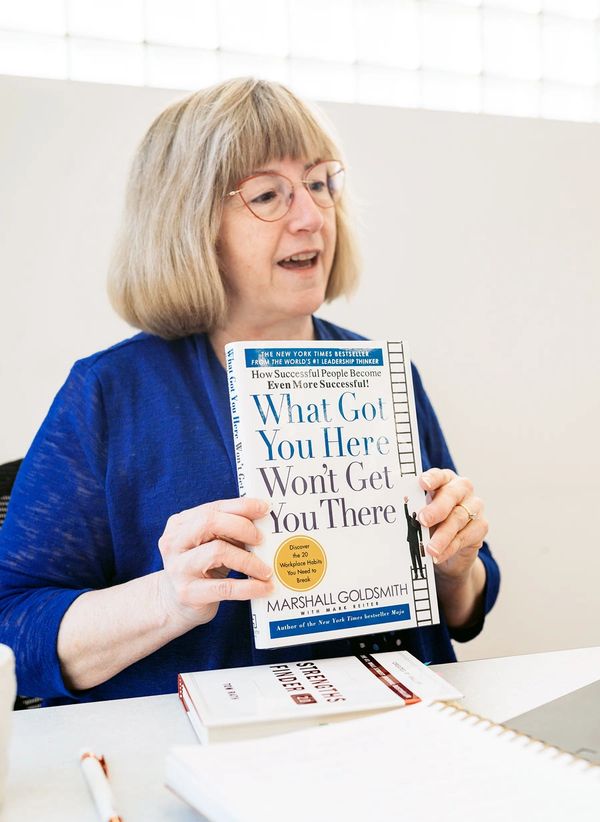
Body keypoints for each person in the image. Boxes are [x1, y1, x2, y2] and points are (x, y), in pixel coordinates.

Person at [0, 78, 499, 705]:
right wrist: (167, 597)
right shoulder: (108, 394)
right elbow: (13, 627)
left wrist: (456, 565)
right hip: (193, 759)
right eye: (269, 194)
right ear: (192, 224)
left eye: (319, 183)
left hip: (399, 738)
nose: (313, 217)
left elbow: (466, 607)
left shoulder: (377, 372)